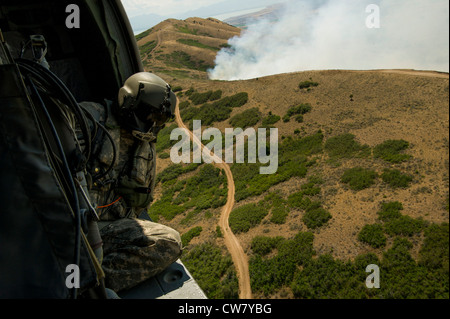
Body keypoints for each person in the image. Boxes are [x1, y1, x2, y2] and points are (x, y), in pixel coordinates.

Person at [80, 72, 182, 293]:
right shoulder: (88, 119)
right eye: (148, 115)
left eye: (159, 120)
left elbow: (141, 201)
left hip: (109, 229)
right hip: (72, 225)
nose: (152, 124)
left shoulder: (146, 147)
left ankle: (87, 286)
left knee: (169, 241)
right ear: (128, 101)